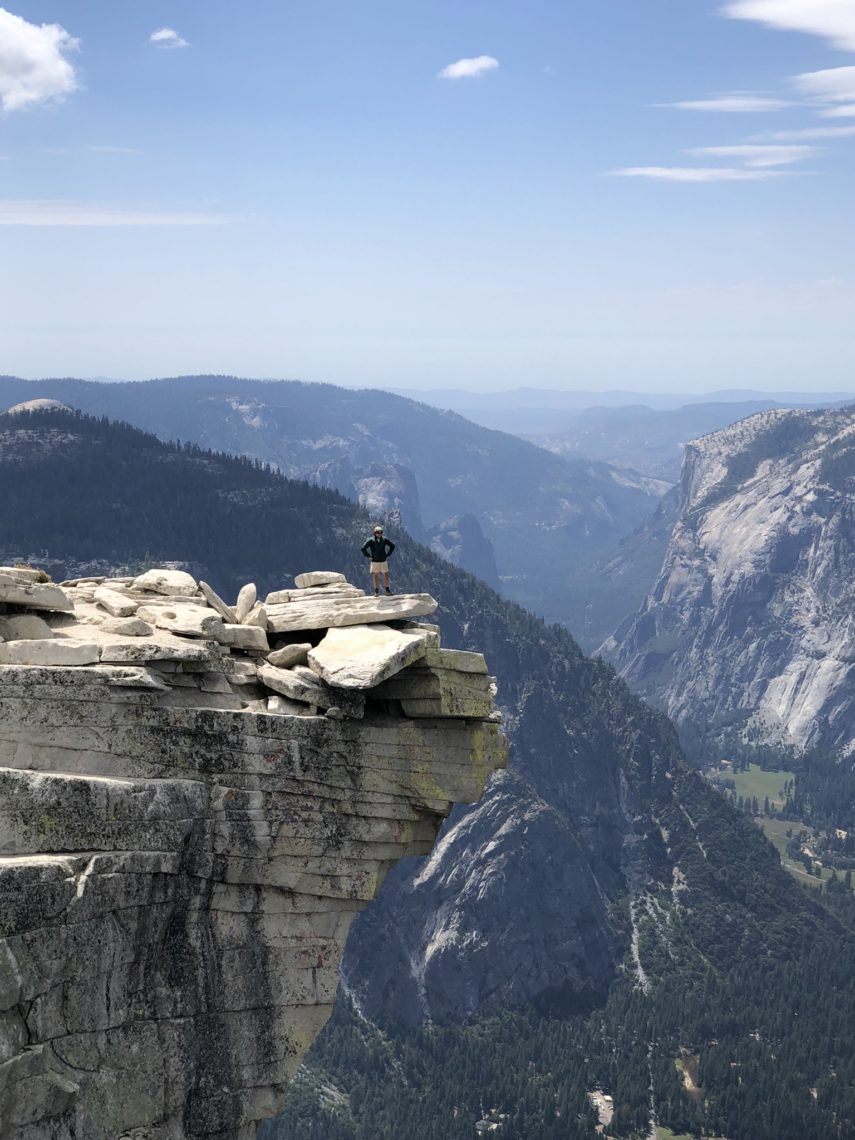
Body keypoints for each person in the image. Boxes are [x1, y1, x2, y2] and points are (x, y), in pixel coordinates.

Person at [361, 525, 395, 595]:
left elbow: (392, 546)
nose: (379, 534)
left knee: (386, 574)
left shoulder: (384, 539)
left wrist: (388, 554)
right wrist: (368, 556)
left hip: (382, 560)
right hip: (375, 561)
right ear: (375, 533)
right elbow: (363, 548)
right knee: (375, 575)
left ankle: (387, 590)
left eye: (381, 532)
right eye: (378, 532)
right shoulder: (371, 540)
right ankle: (376, 591)